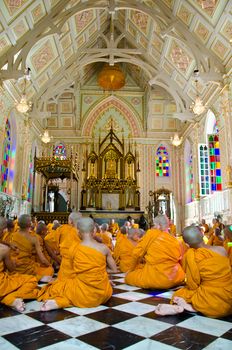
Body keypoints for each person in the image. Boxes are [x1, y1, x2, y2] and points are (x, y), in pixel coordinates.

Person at [38, 217, 118, 311]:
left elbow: (71, 272)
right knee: (107, 287)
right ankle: (59, 303)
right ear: (95, 230)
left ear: (78, 232)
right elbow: (114, 270)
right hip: (102, 294)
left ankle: (60, 302)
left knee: (57, 287)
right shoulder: (104, 248)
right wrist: (98, 272)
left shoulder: (74, 249)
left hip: (81, 293)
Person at [155, 225, 232, 318]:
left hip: (211, 301)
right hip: (229, 297)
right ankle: (191, 307)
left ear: (187, 245)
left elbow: (193, 284)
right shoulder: (222, 250)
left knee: (179, 294)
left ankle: (191, 307)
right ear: (202, 235)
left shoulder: (191, 256)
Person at [125, 214, 185, 289]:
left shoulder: (152, 234)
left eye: (154, 225)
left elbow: (136, 254)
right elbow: (182, 260)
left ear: (159, 225)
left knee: (128, 277)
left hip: (155, 278)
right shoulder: (176, 240)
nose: (153, 227)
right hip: (176, 278)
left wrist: (130, 270)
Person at [0, 217, 38, 312]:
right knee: (31, 280)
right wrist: (14, 261)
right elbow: (12, 269)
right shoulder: (4, 250)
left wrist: (8, 244)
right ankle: (9, 298)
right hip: (1, 285)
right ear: (4, 230)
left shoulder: (6, 246)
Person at [9, 214, 53, 282]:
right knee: (50, 270)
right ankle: (37, 278)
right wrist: (50, 265)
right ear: (30, 224)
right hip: (27, 269)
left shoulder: (12, 236)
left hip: (13, 268)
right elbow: (43, 260)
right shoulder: (33, 239)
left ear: (18, 224)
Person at [57, 212, 82, 279]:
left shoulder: (63, 229)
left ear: (70, 221)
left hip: (66, 269)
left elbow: (48, 239)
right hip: (80, 268)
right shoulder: (84, 233)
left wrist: (57, 250)